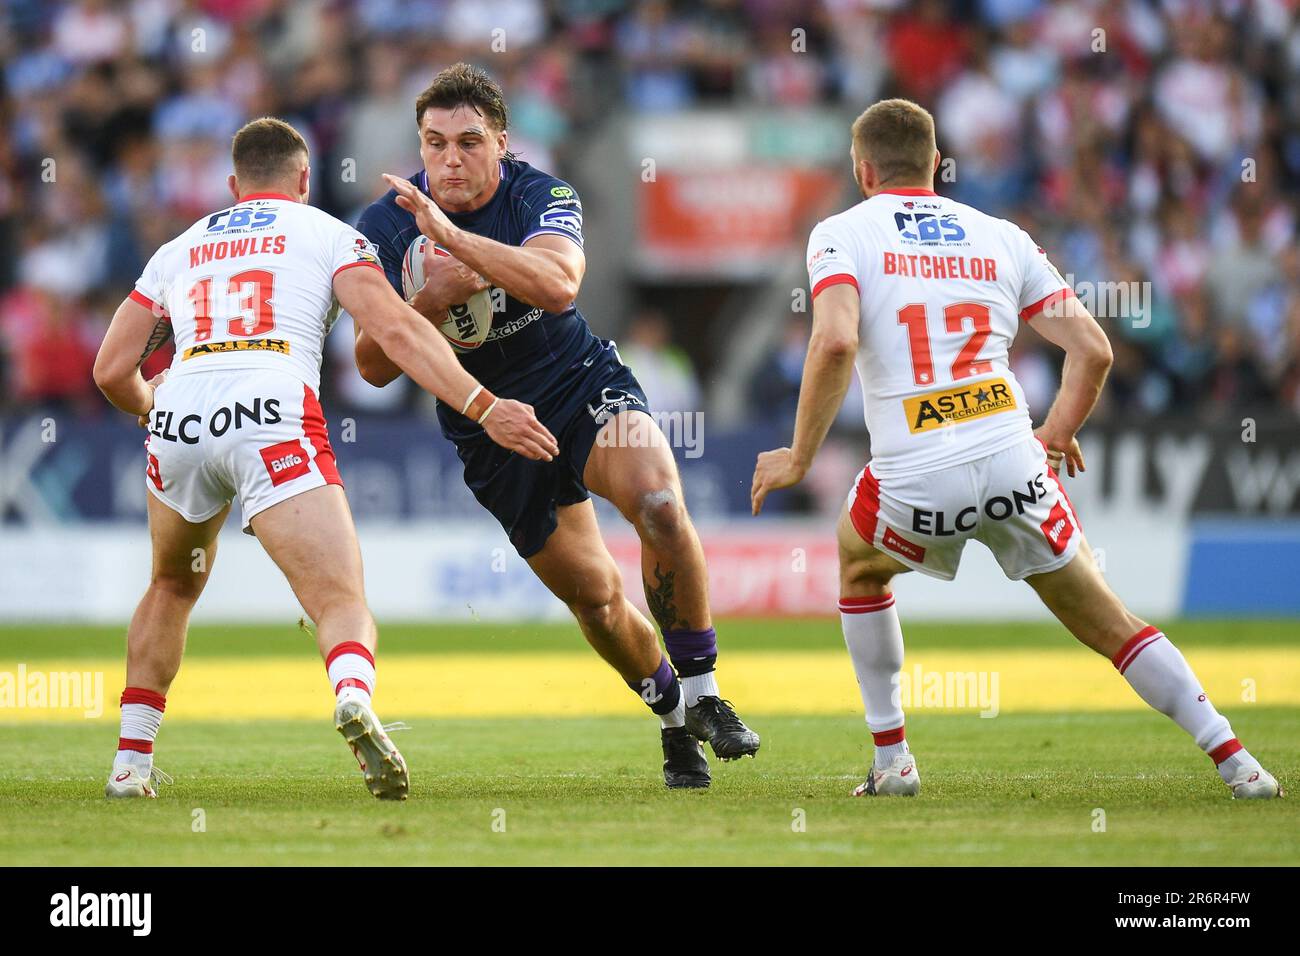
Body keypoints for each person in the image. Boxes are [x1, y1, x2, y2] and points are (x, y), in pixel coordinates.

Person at [751, 98, 1280, 800]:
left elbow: (837, 340)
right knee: (1110, 622)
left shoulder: (841, 233)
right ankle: (1239, 762)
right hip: (1011, 454)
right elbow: (1092, 349)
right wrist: (1058, 431)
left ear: (863, 169)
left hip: (915, 472)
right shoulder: (1003, 235)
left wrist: (797, 455)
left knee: (859, 566)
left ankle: (893, 761)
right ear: (938, 165)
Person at [92, 117, 557, 801]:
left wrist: (149, 401)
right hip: (271, 408)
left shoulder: (179, 247)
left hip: (182, 413)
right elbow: (396, 329)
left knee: (170, 587)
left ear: (233, 186)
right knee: (338, 597)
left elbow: (109, 370)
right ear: (305, 182)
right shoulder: (331, 235)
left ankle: (131, 762)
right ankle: (352, 695)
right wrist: (486, 405)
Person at [354, 63, 759, 789]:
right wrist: (427, 300)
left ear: (502, 143)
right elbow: (372, 368)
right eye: (435, 142)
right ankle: (673, 720)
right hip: (487, 428)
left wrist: (456, 241)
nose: (449, 159)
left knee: (660, 505)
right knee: (597, 600)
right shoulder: (383, 225)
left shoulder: (543, 193)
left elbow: (558, 284)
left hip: (578, 384)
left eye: (469, 142)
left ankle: (706, 695)